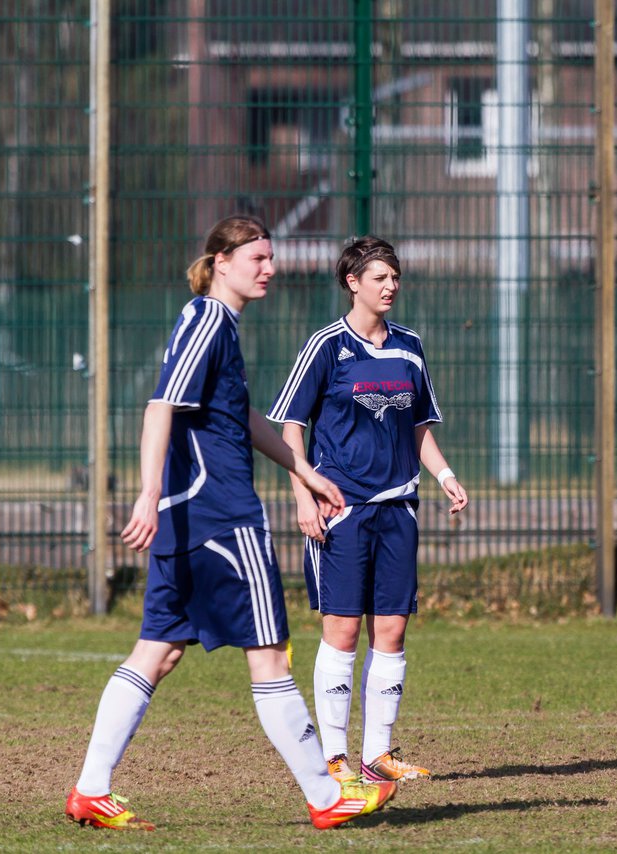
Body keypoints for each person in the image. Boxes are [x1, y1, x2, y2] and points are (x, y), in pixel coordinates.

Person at [64, 216, 397, 832]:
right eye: (257, 258)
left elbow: (239, 417)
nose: (268, 268)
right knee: (270, 655)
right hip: (220, 518)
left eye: (271, 258)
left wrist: (306, 472)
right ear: (221, 260)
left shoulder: (220, 326)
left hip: (188, 521)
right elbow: (161, 404)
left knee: (156, 653)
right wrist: (145, 491)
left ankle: (90, 790)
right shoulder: (208, 319)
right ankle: (327, 795)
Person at [267, 236, 468, 786]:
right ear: (352, 282)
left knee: (393, 629)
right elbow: (290, 425)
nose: (391, 286)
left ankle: (376, 756)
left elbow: (419, 428)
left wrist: (446, 476)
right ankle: (333, 756)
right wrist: (303, 494)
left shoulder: (409, 346)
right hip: (341, 507)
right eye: (379, 277)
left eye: (395, 276)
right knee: (341, 630)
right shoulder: (327, 346)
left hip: (399, 506)